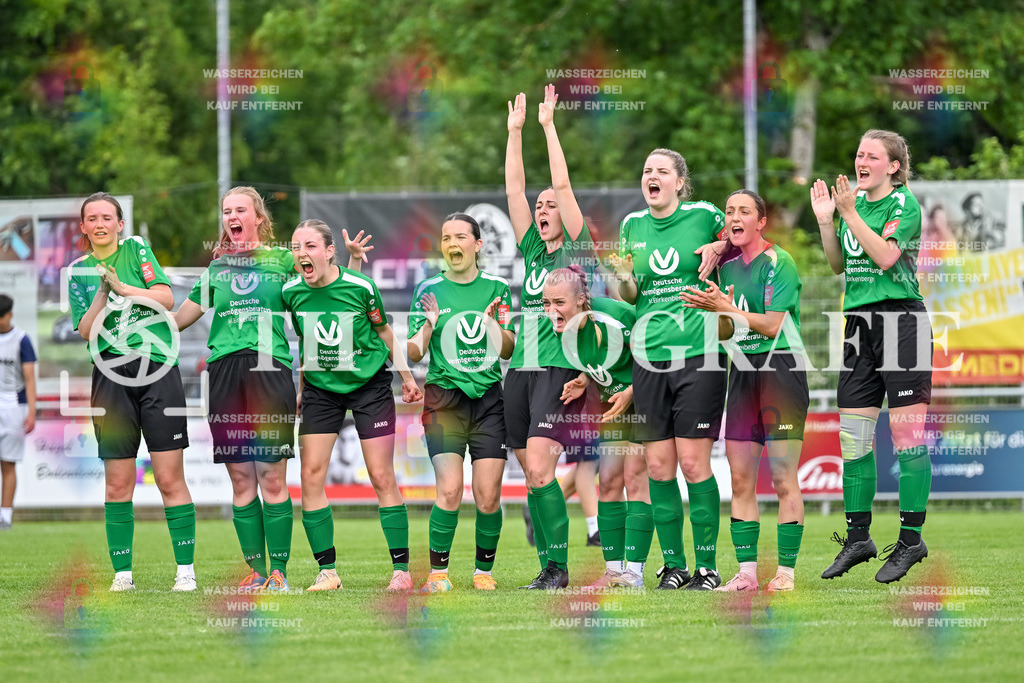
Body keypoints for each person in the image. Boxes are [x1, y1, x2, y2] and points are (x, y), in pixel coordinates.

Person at [811, 129, 932, 584]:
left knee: (907, 439)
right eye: (859, 153)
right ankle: (859, 538)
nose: (861, 161)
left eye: (872, 156)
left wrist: (847, 212)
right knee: (853, 439)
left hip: (902, 322)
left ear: (893, 167)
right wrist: (828, 221)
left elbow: (884, 256)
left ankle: (910, 540)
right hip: (859, 324)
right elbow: (839, 265)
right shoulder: (851, 206)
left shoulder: (903, 204)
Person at [173, 186, 308, 592]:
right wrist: (134, 306)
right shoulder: (217, 270)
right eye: (226, 210)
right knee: (241, 477)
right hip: (225, 371)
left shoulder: (283, 260)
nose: (231, 216)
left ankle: (279, 573)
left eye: (240, 210)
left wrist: (350, 259)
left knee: (270, 475)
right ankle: (256, 572)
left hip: (270, 369)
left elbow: (320, 285)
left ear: (258, 219)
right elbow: (179, 319)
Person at [282, 219, 423, 591]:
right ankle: (327, 572)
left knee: (381, 475)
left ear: (330, 251)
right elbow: (306, 344)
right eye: (296, 248)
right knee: (310, 476)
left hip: (369, 385)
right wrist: (300, 389)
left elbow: (384, 333)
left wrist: (407, 379)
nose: (301, 254)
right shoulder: (291, 292)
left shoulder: (362, 287)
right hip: (320, 389)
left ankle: (401, 572)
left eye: (310, 246)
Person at [611, 148, 729, 590]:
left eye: (662, 171)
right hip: (648, 358)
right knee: (659, 466)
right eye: (646, 171)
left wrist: (722, 243)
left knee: (695, 464)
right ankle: (674, 567)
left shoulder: (704, 214)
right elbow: (629, 292)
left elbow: (749, 235)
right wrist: (621, 276)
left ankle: (708, 568)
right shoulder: (632, 226)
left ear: (680, 182)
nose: (652, 176)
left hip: (698, 353)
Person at [680, 190, 807, 593]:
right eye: (730, 211)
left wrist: (726, 309)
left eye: (744, 211)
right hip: (743, 372)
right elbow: (726, 330)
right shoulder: (724, 265)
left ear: (761, 221)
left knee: (785, 477)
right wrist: (710, 311)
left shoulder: (779, 262)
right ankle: (747, 575)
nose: (735, 217)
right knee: (740, 480)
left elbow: (771, 325)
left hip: (781, 369)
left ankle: (785, 572)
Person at [68, 192, 196, 592]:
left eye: (108, 216)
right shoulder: (76, 272)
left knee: (169, 477)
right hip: (110, 376)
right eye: (93, 218)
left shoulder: (137, 248)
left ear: (120, 224)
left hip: (157, 368)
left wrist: (123, 286)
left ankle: (185, 572)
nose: (101, 223)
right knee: (118, 482)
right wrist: (104, 291)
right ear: (85, 227)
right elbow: (87, 331)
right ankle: (123, 575)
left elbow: (166, 297)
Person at [505, 85, 595, 589]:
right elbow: (516, 191)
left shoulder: (576, 250)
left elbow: (560, 183)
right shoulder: (533, 253)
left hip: (560, 367)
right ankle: (550, 565)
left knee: (541, 465)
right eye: (538, 208)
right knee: (534, 475)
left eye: (550, 206)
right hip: (521, 367)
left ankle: (558, 569)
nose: (542, 210)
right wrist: (514, 133)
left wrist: (546, 126)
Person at [407, 213, 515, 593]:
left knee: (488, 497)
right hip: (444, 400)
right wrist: (429, 325)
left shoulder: (497, 287)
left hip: (488, 402)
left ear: (477, 244)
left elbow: (508, 348)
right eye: (446, 237)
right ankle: (438, 574)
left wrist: (493, 328)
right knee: (450, 490)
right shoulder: (428, 289)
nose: (452, 244)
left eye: (460, 237)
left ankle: (483, 572)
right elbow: (414, 352)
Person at [544, 266, 654, 589]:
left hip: (645, 395)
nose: (551, 311)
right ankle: (613, 571)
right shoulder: (562, 330)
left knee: (635, 478)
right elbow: (604, 357)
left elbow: (655, 350)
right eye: (546, 303)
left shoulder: (615, 316)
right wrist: (585, 379)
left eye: (558, 303)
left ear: (580, 300)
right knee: (606, 481)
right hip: (612, 405)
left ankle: (634, 573)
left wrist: (633, 391)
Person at [0, 294, 36, 530]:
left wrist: (32, 411)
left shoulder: (21, 339)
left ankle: (6, 516)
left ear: (10, 314)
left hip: (14, 406)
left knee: (8, 464)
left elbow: (30, 378)